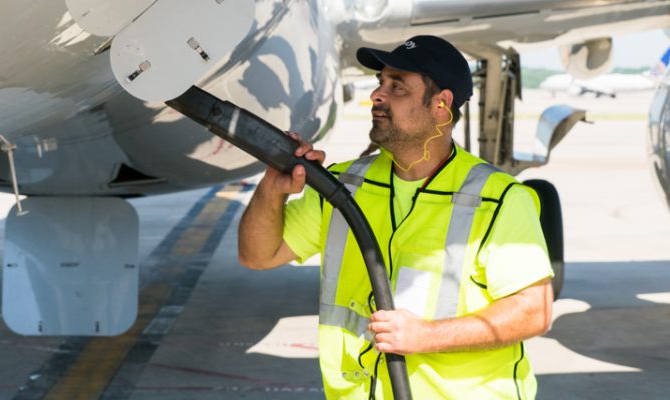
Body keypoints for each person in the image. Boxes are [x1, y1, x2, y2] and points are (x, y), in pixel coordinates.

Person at [237, 35, 554, 399]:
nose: (377, 95)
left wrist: (427, 337)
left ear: (441, 105)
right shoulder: (343, 185)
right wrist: (271, 190)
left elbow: (534, 311)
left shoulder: (498, 200)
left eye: (397, 86)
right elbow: (257, 255)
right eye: (380, 83)